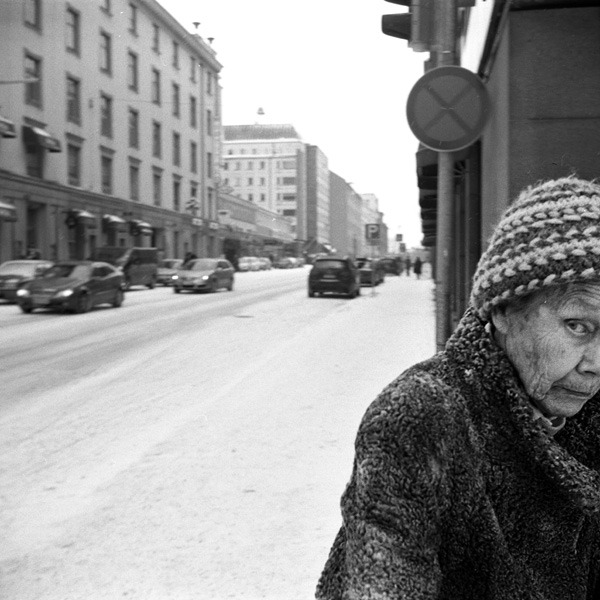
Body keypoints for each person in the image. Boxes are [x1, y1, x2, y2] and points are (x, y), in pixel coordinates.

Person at [316, 176, 600, 600]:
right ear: (503, 310)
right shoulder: (423, 417)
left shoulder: (587, 418)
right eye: (577, 326)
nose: (596, 364)